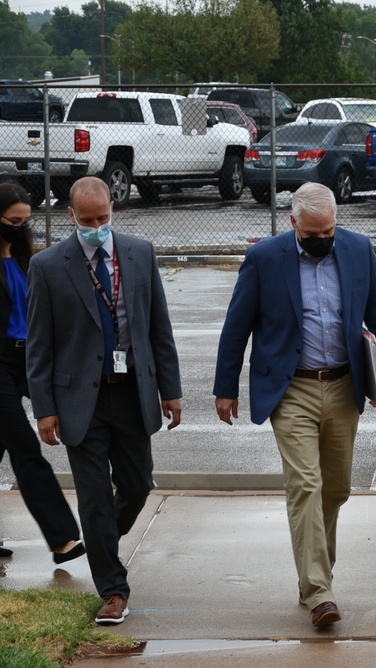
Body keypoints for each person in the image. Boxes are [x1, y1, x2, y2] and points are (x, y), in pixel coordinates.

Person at [213, 182, 376, 628]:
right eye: (313, 233)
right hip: (291, 388)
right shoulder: (265, 258)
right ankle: (320, 592)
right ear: (294, 222)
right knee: (305, 484)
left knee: (335, 489)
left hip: (344, 385)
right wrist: (226, 388)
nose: (323, 240)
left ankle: (314, 579)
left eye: (329, 232)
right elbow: (236, 326)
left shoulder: (358, 250)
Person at [26, 176, 183, 625]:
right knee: (94, 499)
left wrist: (170, 391)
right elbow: (39, 346)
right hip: (80, 401)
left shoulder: (139, 253)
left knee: (137, 486)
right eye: (88, 220)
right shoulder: (49, 266)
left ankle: (100, 543)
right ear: (71, 215)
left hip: (132, 393)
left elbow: (159, 329)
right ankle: (113, 590)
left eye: (104, 218)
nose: (97, 227)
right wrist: (44, 409)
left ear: (112, 208)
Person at [0, 181, 84, 564]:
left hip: (29, 359)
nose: (20, 227)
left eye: (25, 221)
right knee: (25, 448)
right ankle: (63, 538)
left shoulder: (24, 258)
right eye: (13, 221)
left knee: (75, 413)